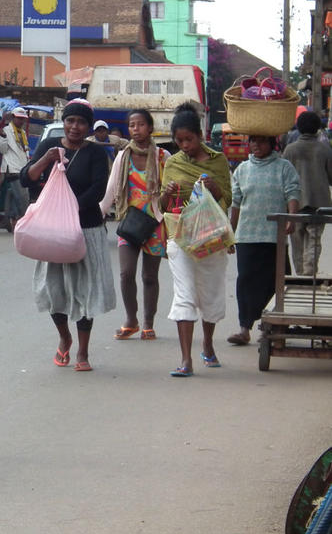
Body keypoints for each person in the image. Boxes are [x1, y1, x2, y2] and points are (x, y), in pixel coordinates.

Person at [20, 98, 116, 372]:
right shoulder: (50, 146)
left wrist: (70, 210)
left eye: (81, 122)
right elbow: (27, 177)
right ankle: (65, 337)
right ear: (64, 123)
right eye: (71, 121)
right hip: (52, 232)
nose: (75, 127)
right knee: (54, 290)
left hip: (85, 229)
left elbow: (98, 189)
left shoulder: (96, 154)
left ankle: (83, 352)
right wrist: (47, 159)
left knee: (85, 291)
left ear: (89, 126)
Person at [159, 103, 232, 376]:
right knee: (184, 294)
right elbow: (163, 205)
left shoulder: (219, 161)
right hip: (180, 238)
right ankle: (186, 359)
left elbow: (228, 199)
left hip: (211, 238)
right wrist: (167, 193)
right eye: (179, 141)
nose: (184, 146)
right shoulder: (173, 163)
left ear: (200, 135)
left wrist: (214, 188)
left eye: (188, 139)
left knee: (211, 295)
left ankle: (208, 344)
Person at [99, 109, 171, 341]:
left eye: (140, 125)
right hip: (129, 223)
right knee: (126, 273)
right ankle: (131, 320)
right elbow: (111, 189)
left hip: (155, 223)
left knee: (150, 277)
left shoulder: (163, 157)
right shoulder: (123, 156)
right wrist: (98, 213)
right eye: (131, 125)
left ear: (150, 128)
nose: (135, 129)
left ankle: (148, 323)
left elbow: (171, 190)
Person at [227, 135, 300, 346]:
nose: (256, 145)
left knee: (277, 282)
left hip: (274, 236)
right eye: (253, 141)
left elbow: (292, 192)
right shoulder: (242, 169)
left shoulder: (284, 167)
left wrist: (291, 218)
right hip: (248, 235)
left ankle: (275, 327)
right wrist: (231, 232)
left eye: (262, 141)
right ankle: (244, 328)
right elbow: (236, 202)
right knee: (246, 281)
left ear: (272, 144)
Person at [282, 110, 332, 276]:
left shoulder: (290, 150)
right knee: (314, 240)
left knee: (297, 243)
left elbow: (283, 179)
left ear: (299, 127)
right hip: (319, 204)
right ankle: (309, 273)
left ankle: (301, 274)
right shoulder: (325, 149)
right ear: (317, 128)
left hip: (295, 204)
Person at [0, 107, 31, 232]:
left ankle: (9, 219)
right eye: (19, 118)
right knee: (23, 198)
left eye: (23, 119)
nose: (21, 121)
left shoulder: (22, 133)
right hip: (12, 168)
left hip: (23, 168)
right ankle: (22, 221)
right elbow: (2, 150)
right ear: (13, 118)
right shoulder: (6, 131)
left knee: (17, 196)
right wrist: (4, 137)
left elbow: (25, 151)